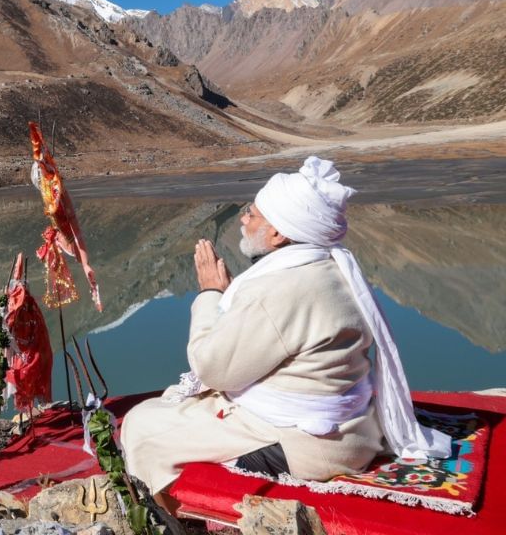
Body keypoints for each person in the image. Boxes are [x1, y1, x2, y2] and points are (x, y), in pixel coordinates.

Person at [119, 156, 451, 515]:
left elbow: (212, 368)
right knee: (174, 404)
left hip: (305, 445)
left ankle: (161, 518)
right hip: (354, 432)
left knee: (142, 425)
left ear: (278, 233)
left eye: (253, 214)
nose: (243, 220)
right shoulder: (332, 267)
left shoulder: (281, 288)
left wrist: (209, 295)